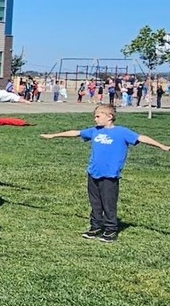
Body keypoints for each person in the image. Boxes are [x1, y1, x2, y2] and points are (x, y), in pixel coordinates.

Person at [41, 104, 170, 242]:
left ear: (109, 117)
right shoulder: (95, 131)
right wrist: (54, 135)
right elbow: (76, 132)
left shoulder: (122, 132)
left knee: (108, 203)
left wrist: (162, 146)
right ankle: (95, 227)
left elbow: (142, 138)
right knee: (95, 202)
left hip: (110, 176)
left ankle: (110, 230)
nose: (95, 119)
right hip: (93, 173)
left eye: (98, 116)